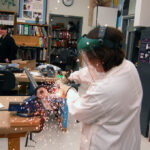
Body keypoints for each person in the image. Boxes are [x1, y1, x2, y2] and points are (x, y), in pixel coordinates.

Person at [58, 26, 143, 150]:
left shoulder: (104, 90)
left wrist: (68, 90)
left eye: (92, 59)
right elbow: (96, 71)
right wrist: (72, 76)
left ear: (102, 56)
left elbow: (78, 111)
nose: (91, 63)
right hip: (127, 142)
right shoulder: (128, 67)